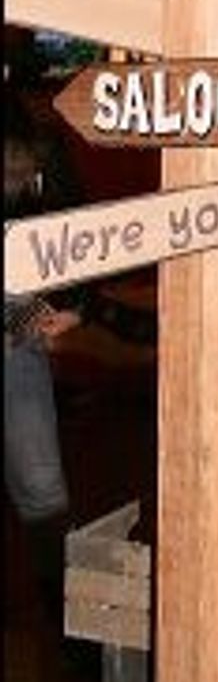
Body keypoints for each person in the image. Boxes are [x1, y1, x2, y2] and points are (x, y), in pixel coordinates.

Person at [4, 88, 86, 631]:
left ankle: (67, 627)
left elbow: (86, 236)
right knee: (41, 491)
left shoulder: (45, 146)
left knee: (41, 491)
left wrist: (74, 307)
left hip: (19, 321)